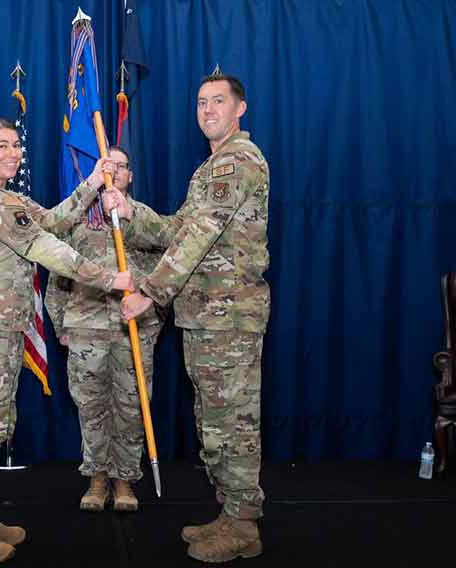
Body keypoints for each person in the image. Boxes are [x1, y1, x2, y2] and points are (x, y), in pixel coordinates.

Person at [0, 117, 134, 563]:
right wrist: (110, 278)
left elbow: (52, 221)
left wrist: (91, 181)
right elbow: (47, 248)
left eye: (16, 145)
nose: (12, 152)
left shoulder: (5, 196)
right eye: (1, 145)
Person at [117, 75, 270, 563]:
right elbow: (175, 228)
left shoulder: (239, 162)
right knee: (213, 422)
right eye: (201, 102)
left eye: (218, 101)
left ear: (240, 108)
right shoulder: (209, 169)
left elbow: (201, 233)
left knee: (233, 424)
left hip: (230, 317)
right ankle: (229, 515)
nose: (207, 109)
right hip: (205, 317)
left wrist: (150, 292)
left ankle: (244, 525)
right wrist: (128, 208)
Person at [44, 147, 166, 513]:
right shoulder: (78, 220)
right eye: (107, 166)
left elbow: (168, 272)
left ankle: (124, 479)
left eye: (121, 166)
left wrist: (154, 314)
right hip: (86, 328)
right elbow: (58, 275)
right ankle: (97, 477)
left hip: (134, 329)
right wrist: (60, 322)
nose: (115, 171)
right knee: (91, 408)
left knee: (130, 407)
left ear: (130, 175)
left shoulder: (145, 221)